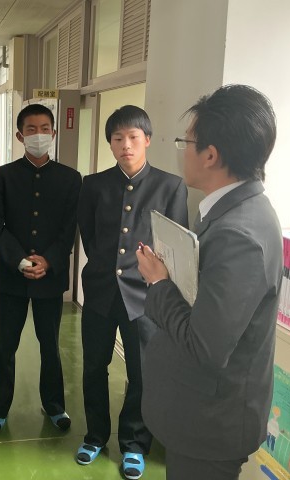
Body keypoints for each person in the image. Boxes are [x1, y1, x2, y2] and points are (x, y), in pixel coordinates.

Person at [136, 84, 283, 480]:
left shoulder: (239, 234)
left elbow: (205, 345)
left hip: (209, 425)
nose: (182, 151)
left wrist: (159, 284)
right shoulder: (230, 211)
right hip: (198, 413)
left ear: (211, 155)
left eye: (187, 142)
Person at [76, 105, 188, 479]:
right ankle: (95, 435)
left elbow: (175, 245)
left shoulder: (170, 186)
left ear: (147, 140)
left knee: (142, 374)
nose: (126, 145)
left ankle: (134, 444)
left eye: (133, 137)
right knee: (94, 366)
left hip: (145, 298)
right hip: (100, 292)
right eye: (118, 138)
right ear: (110, 143)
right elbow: (89, 235)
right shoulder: (93, 185)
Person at [0, 103, 82, 434]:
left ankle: (54, 405)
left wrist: (48, 260)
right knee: (6, 344)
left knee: (50, 345)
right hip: (11, 277)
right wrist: (20, 260)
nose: (38, 135)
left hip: (50, 280)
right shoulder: (3, 176)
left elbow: (69, 229)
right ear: (19, 135)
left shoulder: (70, 179)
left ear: (53, 133)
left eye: (44, 129)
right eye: (31, 130)